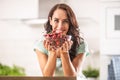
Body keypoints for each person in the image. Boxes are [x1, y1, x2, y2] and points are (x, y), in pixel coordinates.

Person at [34, 3, 89, 77]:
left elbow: (72, 77)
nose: (60, 26)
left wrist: (64, 53)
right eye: (56, 20)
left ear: (70, 23)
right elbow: (47, 76)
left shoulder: (80, 44)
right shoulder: (41, 44)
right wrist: (52, 53)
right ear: (50, 21)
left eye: (65, 21)